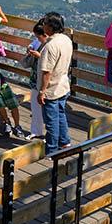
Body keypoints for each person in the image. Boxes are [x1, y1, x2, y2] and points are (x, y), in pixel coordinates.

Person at [38, 12, 73, 153]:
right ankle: (65, 142)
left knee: (51, 121)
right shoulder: (66, 40)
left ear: (51, 27)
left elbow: (47, 72)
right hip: (63, 84)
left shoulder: (50, 46)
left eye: (45, 23)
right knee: (60, 115)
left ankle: (52, 150)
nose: (43, 25)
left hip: (52, 89)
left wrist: (42, 91)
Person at [21, 21, 48, 139]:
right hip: (35, 76)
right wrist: (31, 47)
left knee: (46, 107)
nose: (37, 38)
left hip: (45, 78)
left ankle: (49, 134)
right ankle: (36, 130)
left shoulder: (51, 44)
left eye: (38, 36)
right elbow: (35, 43)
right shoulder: (40, 41)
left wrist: (39, 56)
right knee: (35, 104)